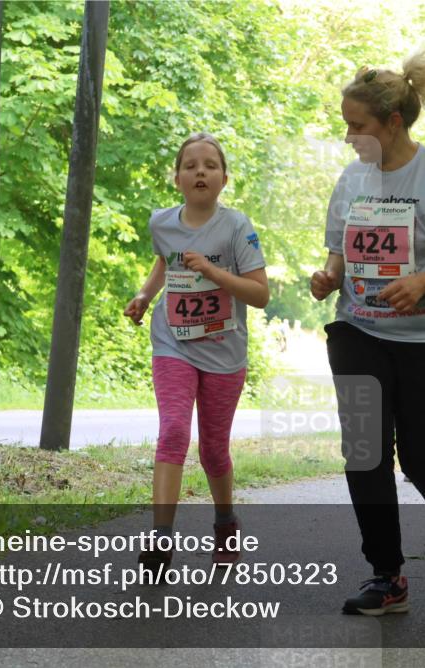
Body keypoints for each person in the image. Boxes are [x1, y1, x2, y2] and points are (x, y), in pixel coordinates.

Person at [310, 48, 425, 616]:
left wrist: (423, 283)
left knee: (421, 459)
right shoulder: (351, 179)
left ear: (392, 123)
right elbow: (339, 251)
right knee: (364, 453)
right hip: (358, 329)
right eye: (345, 125)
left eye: (356, 126)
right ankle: (387, 576)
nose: (348, 137)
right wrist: (328, 276)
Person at [123, 132, 269, 572]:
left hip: (224, 353)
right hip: (173, 345)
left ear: (224, 178)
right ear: (177, 178)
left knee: (213, 451)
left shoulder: (238, 227)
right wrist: (146, 295)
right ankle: (161, 540)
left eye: (209, 165)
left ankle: (225, 521)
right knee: (171, 432)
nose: (200, 171)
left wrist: (212, 271)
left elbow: (260, 294)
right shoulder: (161, 222)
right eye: (190, 165)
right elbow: (166, 261)